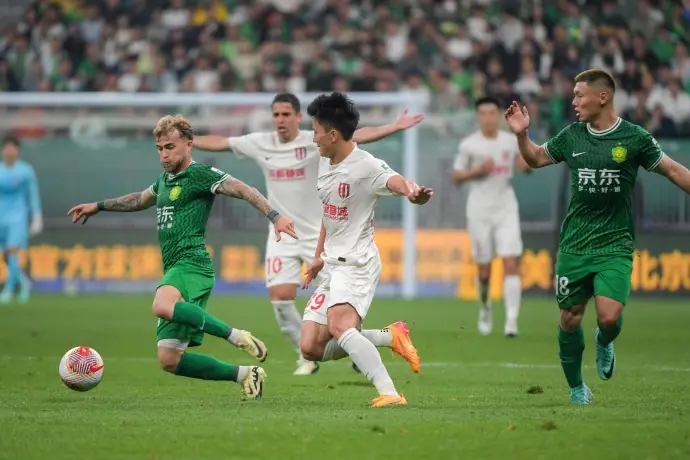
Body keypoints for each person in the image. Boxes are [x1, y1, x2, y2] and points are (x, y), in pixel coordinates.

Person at [67, 115, 298, 399]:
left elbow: (243, 189)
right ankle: (245, 375)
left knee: (162, 305)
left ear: (189, 145)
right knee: (170, 359)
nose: (164, 154)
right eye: (160, 148)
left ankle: (237, 336)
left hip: (193, 262)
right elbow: (139, 199)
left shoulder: (200, 174)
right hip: (174, 267)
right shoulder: (165, 180)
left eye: (170, 147)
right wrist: (99, 206)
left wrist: (274, 216)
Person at [193, 93, 424, 375]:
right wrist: (189, 142)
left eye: (286, 114)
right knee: (280, 297)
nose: (280, 120)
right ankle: (308, 358)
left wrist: (394, 126)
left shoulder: (315, 140)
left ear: (298, 117)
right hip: (282, 232)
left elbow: (356, 137)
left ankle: (358, 345)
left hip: (320, 232)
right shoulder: (261, 142)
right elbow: (223, 143)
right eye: (276, 114)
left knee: (340, 310)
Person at [504, 69, 690, 404]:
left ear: (602, 97)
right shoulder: (572, 136)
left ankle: (604, 340)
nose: (573, 102)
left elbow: (674, 170)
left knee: (609, 317)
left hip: (615, 244)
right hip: (575, 244)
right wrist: (522, 135)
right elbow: (536, 157)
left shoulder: (634, 138)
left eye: (579, 95)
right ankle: (577, 388)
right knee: (569, 318)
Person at [299, 92, 433, 407]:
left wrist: (412, 191)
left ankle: (390, 393)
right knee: (311, 347)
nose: (313, 137)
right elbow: (329, 212)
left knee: (339, 325)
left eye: (316, 131)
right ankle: (390, 336)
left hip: (357, 263)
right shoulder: (327, 157)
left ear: (333, 135)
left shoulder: (365, 166)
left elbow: (395, 180)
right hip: (332, 262)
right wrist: (318, 256)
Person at [453, 96, 531, 337]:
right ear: (478, 117)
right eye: (483, 113)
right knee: (484, 270)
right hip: (479, 210)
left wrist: (526, 165)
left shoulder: (510, 141)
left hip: (506, 207)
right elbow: (457, 177)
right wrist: (477, 171)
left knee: (511, 261)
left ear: (499, 116)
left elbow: (527, 164)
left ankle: (511, 321)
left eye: (492, 113)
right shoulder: (469, 145)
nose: (488, 118)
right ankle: (485, 307)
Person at [0, 136, 43, 304]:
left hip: (17, 216)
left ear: (18, 151)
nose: (9, 151)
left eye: (13, 148)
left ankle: (9, 289)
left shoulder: (25, 171)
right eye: (7, 148)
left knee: (12, 251)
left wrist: (37, 216)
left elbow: (33, 194)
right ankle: (24, 282)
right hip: (1, 215)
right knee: (6, 255)